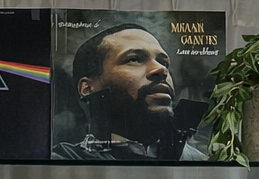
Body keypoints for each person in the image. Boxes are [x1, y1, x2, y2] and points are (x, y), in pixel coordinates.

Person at [52, 23, 206, 162]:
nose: (162, 69)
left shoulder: (200, 162)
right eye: (134, 59)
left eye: (164, 62)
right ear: (87, 88)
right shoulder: (63, 161)